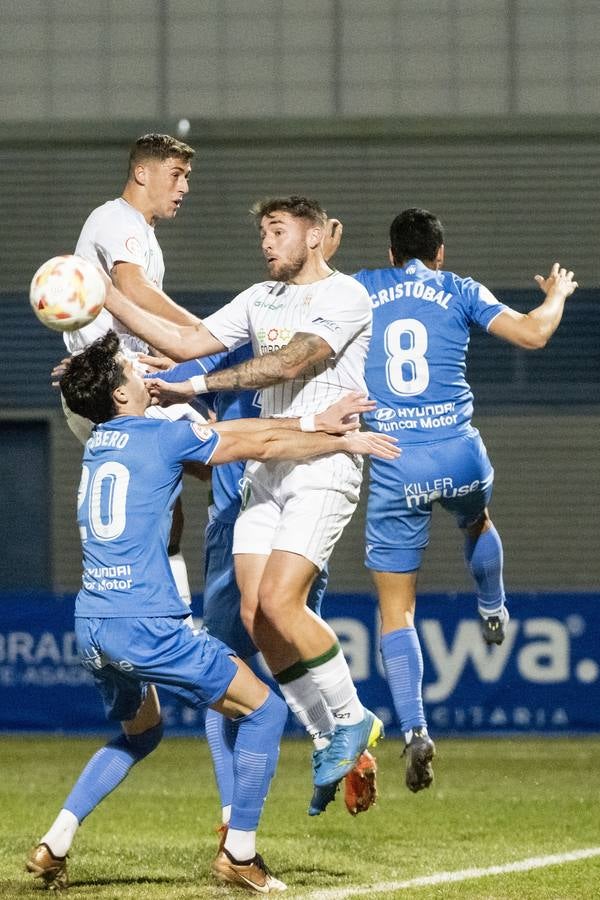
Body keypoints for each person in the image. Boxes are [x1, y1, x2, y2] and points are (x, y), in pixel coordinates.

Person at [26, 331, 398, 893]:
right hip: (146, 623)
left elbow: (234, 431)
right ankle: (239, 855)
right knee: (265, 711)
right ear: (122, 396)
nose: (141, 373)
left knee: (142, 734)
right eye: (130, 369)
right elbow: (258, 443)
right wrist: (331, 435)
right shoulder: (158, 436)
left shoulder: (99, 442)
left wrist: (88, 376)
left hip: (93, 623)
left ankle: (54, 842)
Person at [98, 195, 388, 799]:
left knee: (283, 603)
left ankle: (354, 718)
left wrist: (195, 385)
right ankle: (325, 735)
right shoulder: (260, 298)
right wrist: (104, 296)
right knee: (257, 618)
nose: (266, 242)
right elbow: (186, 338)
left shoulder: (345, 295)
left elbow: (290, 363)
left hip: (324, 460)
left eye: (277, 231)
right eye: (262, 232)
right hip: (267, 469)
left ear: (314, 237)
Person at [338, 207, 576, 794]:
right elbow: (535, 333)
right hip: (457, 453)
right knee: (477, 521)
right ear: (439, 254)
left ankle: (415, 728)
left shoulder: (363, 288)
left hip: (395, 460)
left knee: (397, 612)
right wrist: (558, 294)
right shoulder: (459, 289)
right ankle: (493, 607)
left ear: (393, 254)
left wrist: (325, 247)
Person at [156, 349, 378, 821]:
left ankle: (234, 828)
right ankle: (333, 738)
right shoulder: (226, 360)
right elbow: (181, 343)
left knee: (223, 677)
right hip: (257, 504)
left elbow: (184, 336)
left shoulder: (242, 351)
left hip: (257, 508)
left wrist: (116, 353)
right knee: (266, 628)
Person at [62, 132, 202, 608]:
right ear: (143, 173)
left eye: (187, 177)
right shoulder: (114, 219)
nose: (184, 187)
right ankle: (169, 617)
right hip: (117, 387)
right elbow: (133, 290)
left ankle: (164, 611)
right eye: (176, 175)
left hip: (127, 380)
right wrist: (209, 334)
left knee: (166, 502)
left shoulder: (142, 231)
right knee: (227, 454)